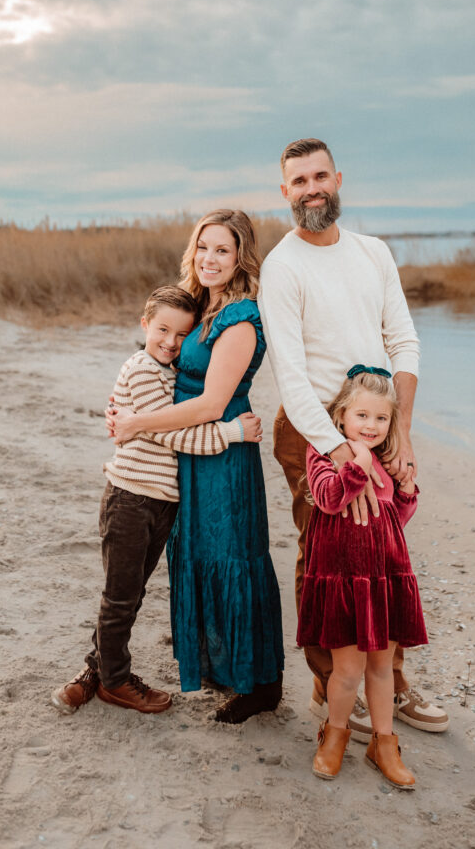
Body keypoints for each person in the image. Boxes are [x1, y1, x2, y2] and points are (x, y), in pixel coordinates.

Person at [258, 137, 448, 739]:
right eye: (299, 180)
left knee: (385, 555)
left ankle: (390, 682)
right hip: (313, 432)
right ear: (284, 192)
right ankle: (329, 682)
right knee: (325, 555)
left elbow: (405, 340)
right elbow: (289, 373)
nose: (312, 188)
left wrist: (402, 434)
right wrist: (342, 453)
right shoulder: (283, 266)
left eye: (320, 176)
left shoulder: (373, 252)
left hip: (379, 422)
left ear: (338, 179)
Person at [108, 210, 284, 723]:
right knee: (196, 555)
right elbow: (154, 361)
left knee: (233, 556)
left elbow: (211, 403)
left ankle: (260, 685)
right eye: (203, 247)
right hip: (184, 450)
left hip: (224, 452)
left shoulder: (241, 317)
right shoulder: (196, 305)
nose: (210, 258)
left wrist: (138, 423)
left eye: (223, 250)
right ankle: (221, 667)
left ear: (240, 257)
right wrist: (121, 404)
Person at [51, 285, 260, 716]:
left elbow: (159, 423)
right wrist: (231, 433)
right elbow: (170, 433)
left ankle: (96, 669)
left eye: (182, 335)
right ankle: (114, 681)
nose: (171, 342)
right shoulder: (144, 369)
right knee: (120, 595)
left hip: (158, 503)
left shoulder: (168, 373)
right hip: (131, 499)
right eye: (162, 329)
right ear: (144, 324)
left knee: (129, 593)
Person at [298, 366, 427, 786]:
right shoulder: (321, 454)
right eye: (362, 416)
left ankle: (384, 743)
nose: (371, 426)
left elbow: (393, 519)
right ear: (340, 417)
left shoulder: (387, 462)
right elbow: (331, 499)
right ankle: (334, 735)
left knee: (381, 668)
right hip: (343, 580)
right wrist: (359, 462)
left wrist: (405, 491)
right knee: (347, 670)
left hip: (385, 578)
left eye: (381, 418)